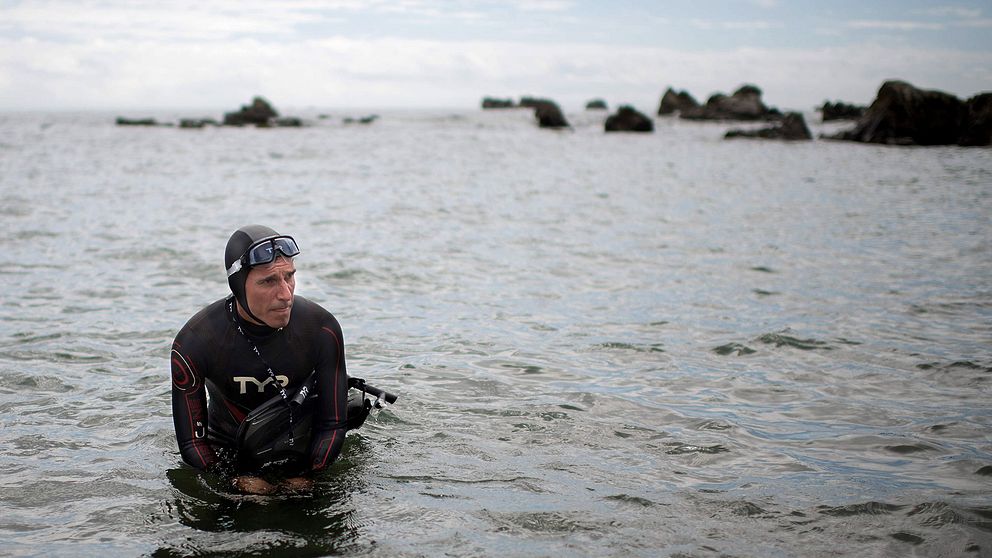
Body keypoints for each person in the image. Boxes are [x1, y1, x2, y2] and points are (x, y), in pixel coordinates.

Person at [170, 225, 361, 494]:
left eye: (289, 276)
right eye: (268, 281)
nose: (285, 294)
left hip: (302, 447)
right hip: (229, 452)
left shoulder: (321, 328)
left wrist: (308, 475)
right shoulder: (197, 340)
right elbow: (192, 443)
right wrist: (230, 481)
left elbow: (332, 424)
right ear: (238, 286)